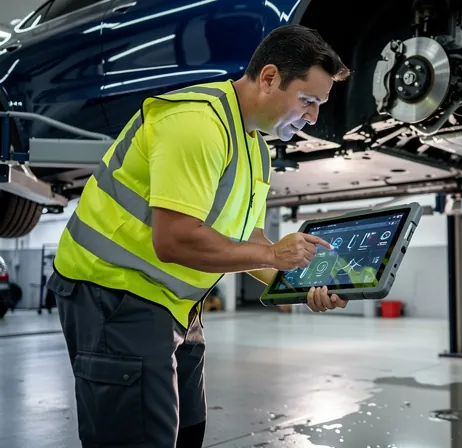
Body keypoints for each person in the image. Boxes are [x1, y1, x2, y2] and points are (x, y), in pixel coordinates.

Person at [45, 24, 351, 448]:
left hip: (178, 305)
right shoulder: (196, 121)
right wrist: (277, 257)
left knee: (187, 432)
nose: (314, 117)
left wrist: (302, 281)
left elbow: (250, 237)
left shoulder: (256, 148)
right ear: (268, 78)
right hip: (115, 294)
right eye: (308, 100)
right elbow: (175, 241)